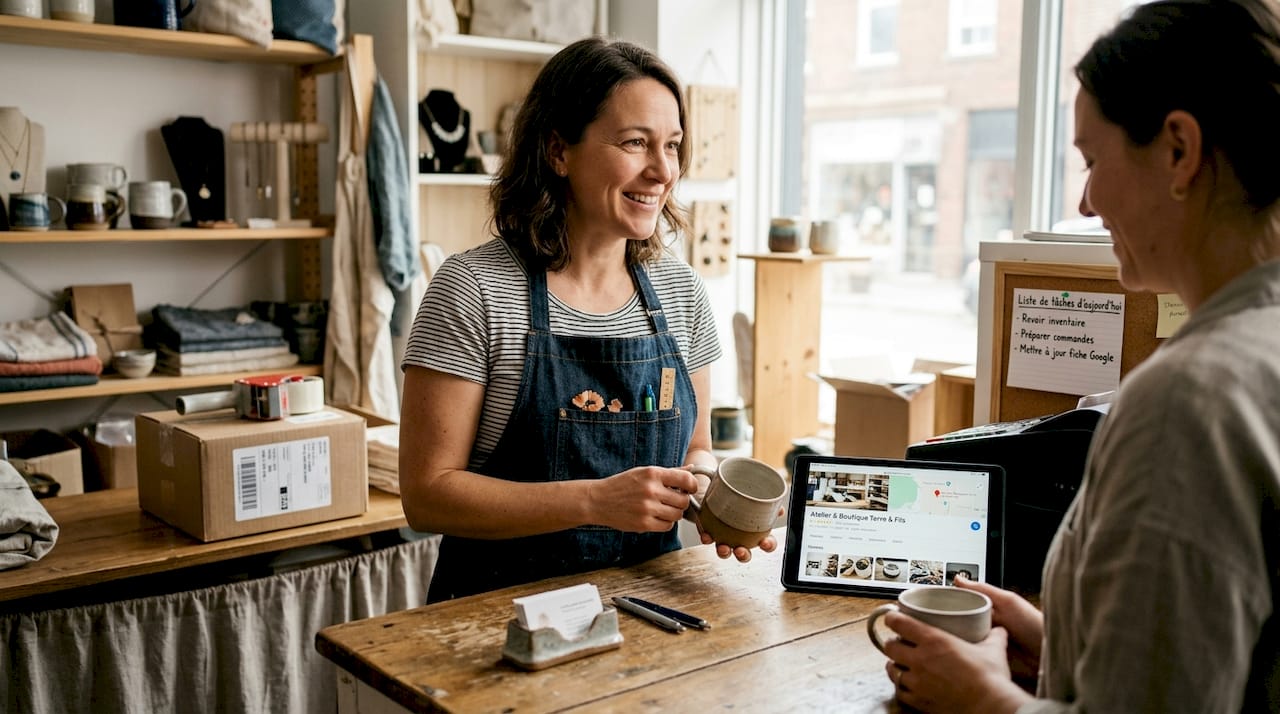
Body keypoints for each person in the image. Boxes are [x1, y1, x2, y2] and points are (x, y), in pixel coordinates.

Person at [879, 1, 1280, 711]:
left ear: (1180, 151)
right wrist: (1059, 643)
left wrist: (984, 700)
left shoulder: (1188, 401)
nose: (1088, 201)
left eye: (1093, 160)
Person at [400, 37, 776, 603]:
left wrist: (705, 495)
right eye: (635, 143)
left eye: (672, 146)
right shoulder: (474, 288)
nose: (661, 171)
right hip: (497, 623)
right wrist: (596, 502)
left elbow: (696, 448)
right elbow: (427, 496)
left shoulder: (680, 292)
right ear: (558, 150)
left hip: (649, 609)